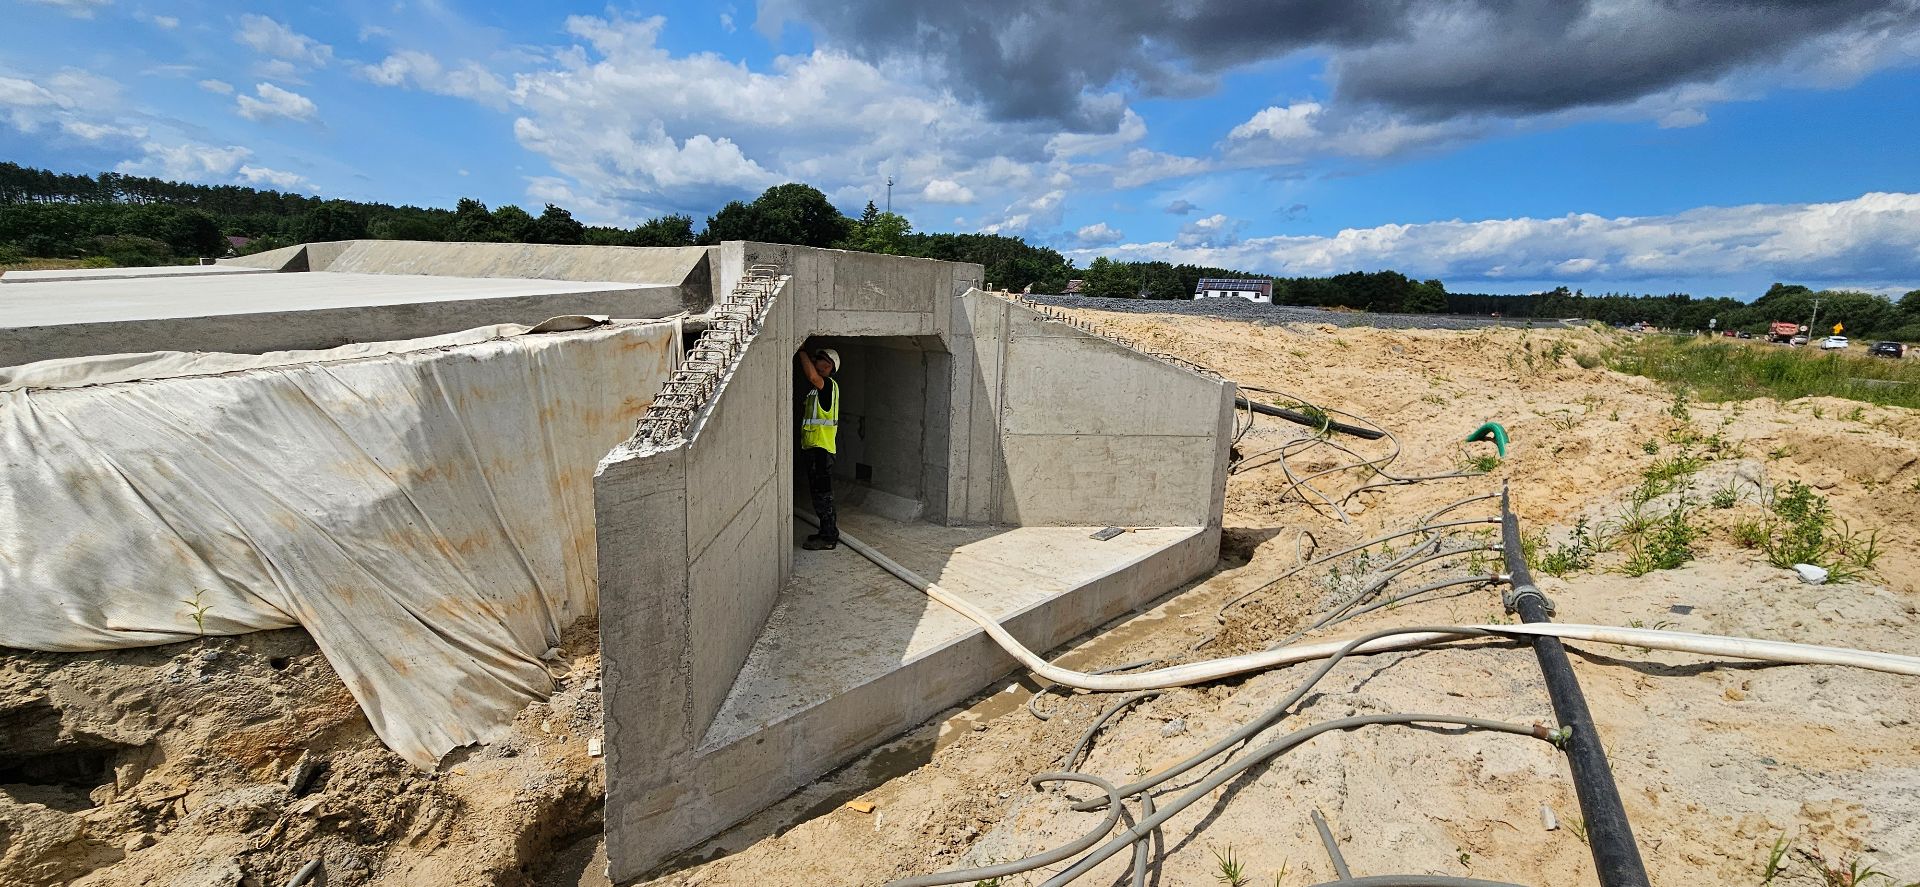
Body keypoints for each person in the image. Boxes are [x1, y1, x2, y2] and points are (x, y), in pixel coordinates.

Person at [796, 347, 841, 550]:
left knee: (823, 496)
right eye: (818, 360)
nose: (820, 364)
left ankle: (829, 537)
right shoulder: (816, 391)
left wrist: (801, 352)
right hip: (816, 449)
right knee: (819, 495)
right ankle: (825, 532)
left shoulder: (828, 385)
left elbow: (813, 377)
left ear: (831, 368)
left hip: (821, 450)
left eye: (826, 362)